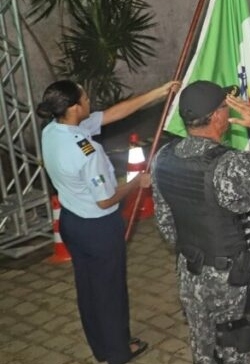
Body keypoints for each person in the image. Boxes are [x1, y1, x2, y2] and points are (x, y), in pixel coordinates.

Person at [151, 81, 250, 364]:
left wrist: (195, 244)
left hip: (190, 272)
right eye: (225, 107)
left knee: (203, 348)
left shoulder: (163, 158)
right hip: (233, 278)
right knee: (236, 347)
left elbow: (165, 222)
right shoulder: (231, 166)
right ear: (216, 117)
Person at [36, 79, 176, 364]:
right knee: (110, 291)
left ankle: (102, 347)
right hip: (98, 228)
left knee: (88, 289)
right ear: (75, 108)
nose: (90, 100)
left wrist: (158, 92)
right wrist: (138, 182)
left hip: (72, 222)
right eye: (85, 98)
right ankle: (118, 353)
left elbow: (114, 114)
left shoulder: (54, 130)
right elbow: (106, 199)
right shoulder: (86, 151)